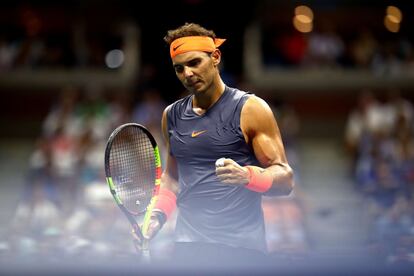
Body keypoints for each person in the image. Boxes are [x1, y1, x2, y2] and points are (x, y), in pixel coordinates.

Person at [134, 22, 294, 267]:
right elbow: (173, 178)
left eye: (194, 63)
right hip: (188, 247)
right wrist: (157, 217)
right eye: (179, 68)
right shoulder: (172, 115)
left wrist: (248, 175)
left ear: (215, 57)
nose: (187, 73)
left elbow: (285, 179)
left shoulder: (251, 109)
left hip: (242, 249)